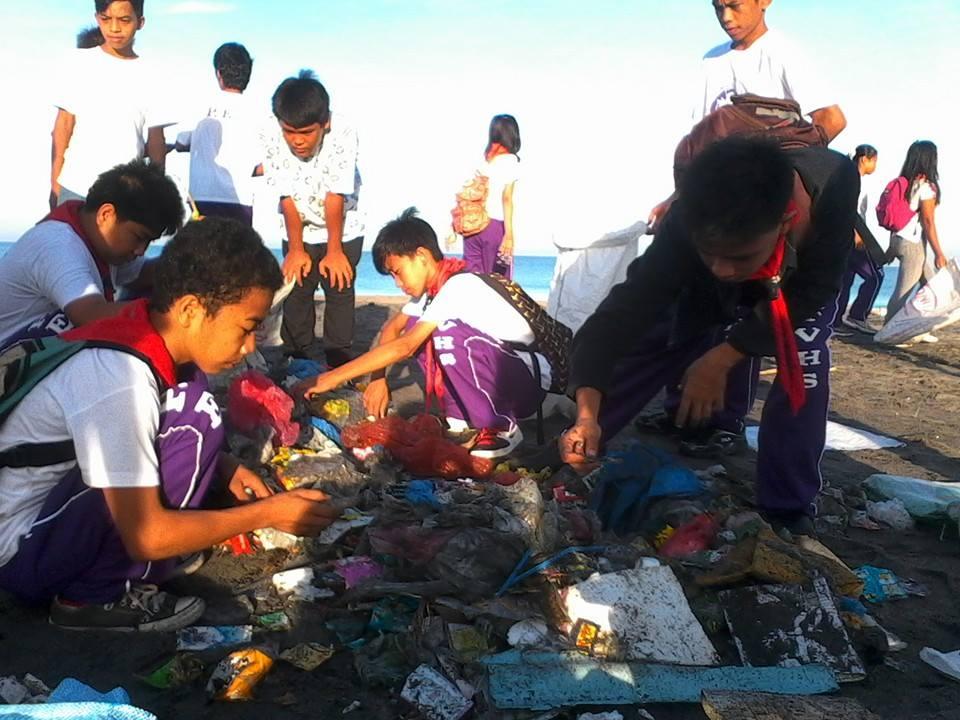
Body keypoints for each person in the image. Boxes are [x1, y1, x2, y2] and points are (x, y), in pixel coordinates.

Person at [0, 218, 338, 631]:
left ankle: (123, 564)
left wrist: (225, 466)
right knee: (195, 419)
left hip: (32, 516)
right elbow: (146, 534)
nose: (250, 346)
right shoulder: (119, 376)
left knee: (190, 401)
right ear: (192, 310)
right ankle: (94, 597)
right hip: (20, 553)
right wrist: (265, 514)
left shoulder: (135, 329)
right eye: (247, 328)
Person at [562, 137, 858, 534]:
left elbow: (815, 290)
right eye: (710, 254)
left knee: (802, 362)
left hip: (796, 283)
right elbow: (618, 317)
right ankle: (583, 441)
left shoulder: (835, 181)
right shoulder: (687, 223)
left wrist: (722, 357)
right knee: (657, 336)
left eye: (738, 256)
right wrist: (585, 412)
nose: (721, 268)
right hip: (708, 272)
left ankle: (788, 506)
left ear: (784, 221)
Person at [299, 208, 549, 459]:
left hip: (529, 384)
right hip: (506, 380)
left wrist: (328, 379)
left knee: (446, 333)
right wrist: (377, 379)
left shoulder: (459, 284)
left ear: (421, 255)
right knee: (417, 327)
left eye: (397, 271)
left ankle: (501, 426)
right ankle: (461, 416)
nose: (397, 283)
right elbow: (392, 329)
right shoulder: (430, 294)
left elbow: (404, 346)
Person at [648, 0, 847, 229]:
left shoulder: (782, 52)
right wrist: (675, 197)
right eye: (718, 8)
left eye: (735, 5)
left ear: (764, 2)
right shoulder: (712, 61)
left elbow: (832, 120)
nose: (726, 17)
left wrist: (778, 170)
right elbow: (702, 141)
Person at [0, 161, 184, 345]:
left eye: (149, 242)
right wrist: (177, 313)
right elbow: (91, 315)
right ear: (106, 215)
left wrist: (194, 268)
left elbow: (144, 273)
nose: (141, 250)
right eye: (138, 237)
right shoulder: (58, 245)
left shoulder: (97, 241)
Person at [262, 70, 364, 368]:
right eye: (289, 132)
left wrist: (334, 251)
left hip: (343, 226)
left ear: (325, 123)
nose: (297, 141)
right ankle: (296, 358)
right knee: (297, 290)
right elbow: (286, 196)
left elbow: (335, 196)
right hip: (297, 224)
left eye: (306, 133)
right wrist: (295, 249)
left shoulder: (343, 131)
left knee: (339, 288)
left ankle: (338, 360)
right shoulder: (269, 132)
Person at [51, 1, 172, 209]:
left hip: (126, 192)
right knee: (69, 241)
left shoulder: (153, 73)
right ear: (97, 18)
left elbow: (156, 142)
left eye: (124, 20)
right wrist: (54, 185)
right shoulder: (78, 62)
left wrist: (156, 194)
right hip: (75, 186)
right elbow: (63, 126)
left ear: (140, 22)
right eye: (106, 19)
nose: (114, 28)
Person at [175, 43, 260, 225]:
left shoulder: (202, 104)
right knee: (236, 251)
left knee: (201, 250)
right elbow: (262, 165)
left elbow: (181, 142)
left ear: (219, 73)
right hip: (240, 199)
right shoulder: (257, 111)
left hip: (202, 196)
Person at [884, 140, 947, 338]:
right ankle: (888, 332)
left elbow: (898, 216)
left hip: (898, 240)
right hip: (912, 245)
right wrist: (939, 253)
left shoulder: (904, 183)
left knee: (930, 284)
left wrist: (891, 247)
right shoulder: (926, 187)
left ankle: (921, 327)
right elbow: (928, 222)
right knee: (903, 292)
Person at [455, 115, 521, 278]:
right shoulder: (510, 160)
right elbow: (506, 198)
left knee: (473, 279)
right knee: (501, 282)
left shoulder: (482, 161)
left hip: (472, 226)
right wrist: (509, 234)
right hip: (495, 227)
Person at [836, 144, 885, 334]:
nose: (875, 166)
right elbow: (848, 209)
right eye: (875, 161)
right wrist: (856, 234)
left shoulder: (850, 178)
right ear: (864, 159)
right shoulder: (854, 179)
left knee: (846, 279)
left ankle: (837, 320)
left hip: (846, 236)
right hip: (852, 235)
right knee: (876, 275)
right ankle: (857, 316)